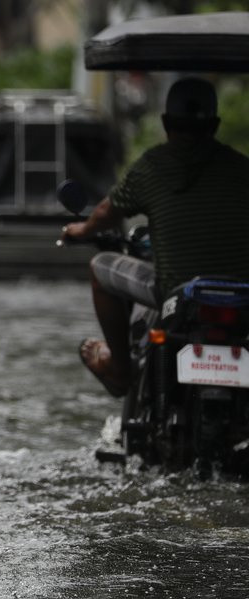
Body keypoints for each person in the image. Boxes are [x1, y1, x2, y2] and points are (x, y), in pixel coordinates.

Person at [60, 77, 249, 396]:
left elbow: (107, 211)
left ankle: (119, 369)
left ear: (165, 122)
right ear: (215, 124)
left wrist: (80, 229)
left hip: (177, 293)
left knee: (99, 267)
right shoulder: (242, 169)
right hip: (243, 296)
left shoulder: (151, 167)